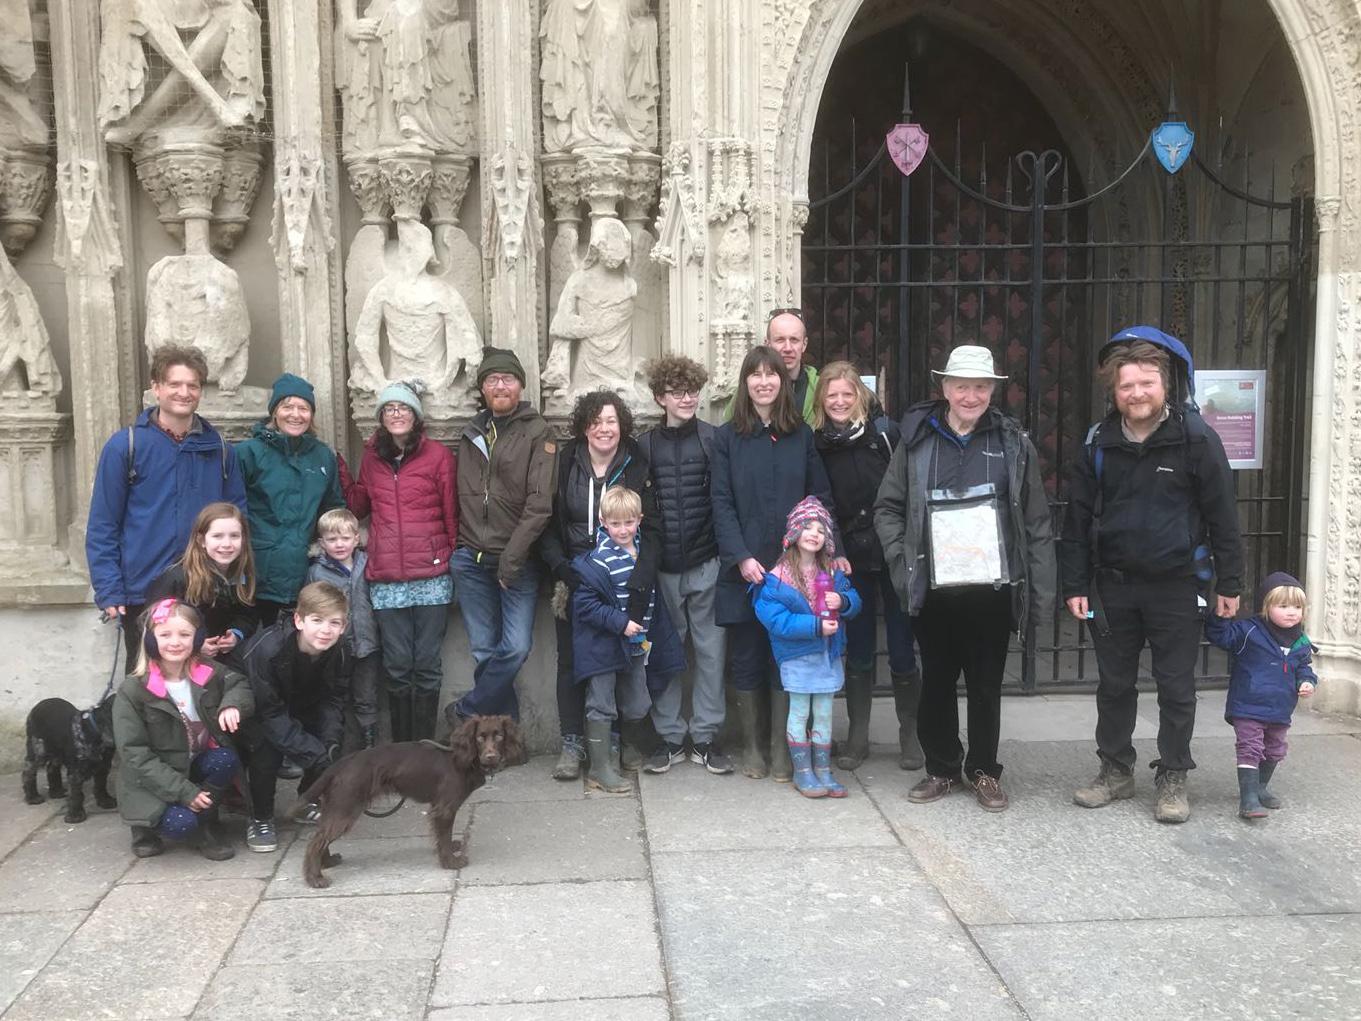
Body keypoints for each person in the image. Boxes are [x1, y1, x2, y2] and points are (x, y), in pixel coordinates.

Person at [1062, 327, 1244, 824]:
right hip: (1114, 584)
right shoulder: (1098, 443)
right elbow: (1076, 518)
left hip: (1176, 585)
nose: (1137, 393)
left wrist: (1229, 582)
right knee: (1115, 685)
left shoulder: (1196, 440)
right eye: (1127, 386)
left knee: (1176, 687)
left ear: (1165, 384)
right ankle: (1116, 770)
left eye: (1146, 383)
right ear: (1114, 391)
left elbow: (1223, 515)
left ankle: (1173, 776)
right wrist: (1074, 583)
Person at [874, 345, 1054, 813]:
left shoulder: (1013, 443)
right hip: (933, 587)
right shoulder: (917, 442)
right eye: (961, 386)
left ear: (992, 390)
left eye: (980, 386)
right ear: (945, 388)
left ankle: (983, 771)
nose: (970, 395)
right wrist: (900, 559)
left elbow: (1035, 522)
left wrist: (1042, 592)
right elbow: (888, 507)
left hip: (991, 590)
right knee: (935, 679)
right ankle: (941, 768)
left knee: (985, 684)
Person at [712, 345, 837, 783]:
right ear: (744, 384)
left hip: (794, 571)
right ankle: (751, 745)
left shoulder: (800, 436)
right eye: (755, 375)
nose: (764, 382)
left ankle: (782, 748)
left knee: (788, 657)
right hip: (745, 569)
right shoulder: (726, 438)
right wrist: (741, 557)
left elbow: (818, 498)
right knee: (746, 656)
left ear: (784, 383)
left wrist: (816, 554)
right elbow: (720, 503)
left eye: (772, 375)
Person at [87, 344, 246, 672]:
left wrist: (236, 578)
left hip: (203, 588)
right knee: (149, 686)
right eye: (174, 384)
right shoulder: (126, 446)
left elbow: (238, 518)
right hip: (143, 590)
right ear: (156, 388)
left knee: (202, 683)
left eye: (192, 385)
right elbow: (104, 524)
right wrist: (109, 588)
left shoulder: (220, 451)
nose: (184, 393)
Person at [539, 389, 663, 780]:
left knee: (622, 663)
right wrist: (562, 568)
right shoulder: (565, 462)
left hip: (623, 580)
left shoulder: (636, 463)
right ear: (583, 426)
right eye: (595, 421)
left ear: (621, 424)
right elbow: (546, 521)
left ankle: (616, 740)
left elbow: (654, 524)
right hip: (575, 581)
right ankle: (574, 743)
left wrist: (643, 569)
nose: (603, 429)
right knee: (572, 662)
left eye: (610, 420)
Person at [811, 362, 922, 771]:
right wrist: (834, 548)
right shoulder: (818, 444)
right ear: (822, 400)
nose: (840, 402)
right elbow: (820, 502)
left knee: (901, 648)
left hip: (893, 554)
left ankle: (910, 733)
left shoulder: (886, 435)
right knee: (857, 650)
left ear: (860, 395)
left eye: (847, 394)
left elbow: (908, 493)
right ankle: (857, 736)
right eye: (831, 395)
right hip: (849, 560)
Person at [446, 348, 558, 723]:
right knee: (483, 650)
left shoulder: (537, 431)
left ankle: (466, 710)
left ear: (521, 385)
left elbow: (540, 505)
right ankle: (500, 739)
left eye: (507, 379)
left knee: (515, 647)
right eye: (492, 380)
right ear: (482, 388)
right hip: (471, 559)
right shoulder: (472, 432)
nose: (500, 385)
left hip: (518, 561)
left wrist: (512, 559)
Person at [347, 381, 458, 743]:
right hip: (387, 576)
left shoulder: (438, 456)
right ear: (380, 417)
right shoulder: (372, 458)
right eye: (389, 409)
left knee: (426, 665)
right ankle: (402, 749)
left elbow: (450, 511)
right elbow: (359, 507)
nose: (396, 414)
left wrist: (452, 557)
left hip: (431, 574)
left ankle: (425, 747)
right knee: (397, 667)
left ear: (415, 415)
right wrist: (342, 476)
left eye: (403, 408)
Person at [637, 355, 732, 775]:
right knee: (666, 653)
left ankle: (706, 737)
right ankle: (670, 737)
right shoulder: (644, 446)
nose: (688, 398)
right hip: (664, 567)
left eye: (693, 390)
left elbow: (724, 501)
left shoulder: (714, 439)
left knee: (711, 653)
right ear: (661, 397)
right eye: (678, 392)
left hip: (707, 561)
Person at [112, 598, 253, 861]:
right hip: (150, 779)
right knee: (180, 824)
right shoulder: (133, 691)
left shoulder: (206, 671)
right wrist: (186, 792)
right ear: (151, 640)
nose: (175, 642)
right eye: (165, 635)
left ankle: (207, 821)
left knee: (225, 759)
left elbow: (238, 682)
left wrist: (232, 705)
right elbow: (135, 755)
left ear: (197, 637)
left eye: (184, 634)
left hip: (190, 763)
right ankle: (144, 826)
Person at [569, 486, 685, 793]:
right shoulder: (599, 561)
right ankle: (599, 768)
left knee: (636, 703)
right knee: (601, 703)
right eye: (616, 523)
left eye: (629, 522)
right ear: (603, 522)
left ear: (639, 520)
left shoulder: (644, 552)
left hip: (636, 644)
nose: (623, 530)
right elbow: (585, 606)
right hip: (603, 644)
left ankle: (623, 746)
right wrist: (620, 623)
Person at [753, 497, 862, 798]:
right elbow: (776, 620)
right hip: (797, 657)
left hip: (827, 656)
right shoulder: (777, 579)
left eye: (821, 529)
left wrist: (844, 601)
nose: (814, 533)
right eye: (807, 527)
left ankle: (824, 770)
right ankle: (803, 771)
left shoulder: (833, 573)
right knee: (800, 712)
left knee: (824, 713)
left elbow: (855, 600)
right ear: (793, 534)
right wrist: (814, 627)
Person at [237, 581, 350, 853]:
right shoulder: (268, 649)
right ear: (299, 620)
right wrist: (313, 752)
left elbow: (334, 698)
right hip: (253, 707)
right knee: (266, 750)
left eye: (335, 623)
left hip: (300, 702)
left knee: (332, 743)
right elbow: (268, 712)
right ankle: (260, 817)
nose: (326, 630)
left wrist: (330, 743)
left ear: (344, 626)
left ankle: (307, 799)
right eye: (317, 620)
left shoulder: (341, 651)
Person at [236, 373, 346, 627]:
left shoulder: (322, 456)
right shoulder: (247, 453)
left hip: (304, 572)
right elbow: (231, 511)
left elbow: (332, 508)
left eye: (304, 408)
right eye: (287, 406)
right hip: (257, 573)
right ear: (275, 411)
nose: (296, 414)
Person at [1205, 571, 1316, 819]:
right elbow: (1221, 637)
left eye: (1297, 607)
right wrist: (1220, 617)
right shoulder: (1249, 631)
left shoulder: (1301, 641)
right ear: (1266, 607)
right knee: (1250, 748)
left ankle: (1260, 787)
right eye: (1283, 605)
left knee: (1275, 750)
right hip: (1248, 704)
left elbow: (1304, 667)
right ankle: (1248, 799)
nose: (1291, 612)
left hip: (1280, 708)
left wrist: (1307, 681)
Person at [144, 502, 258, 667]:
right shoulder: (177, 577)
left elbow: (247, 614)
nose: (227, 544)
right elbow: (152, 626)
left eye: (234, 536)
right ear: (201, 540)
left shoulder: (242, 574)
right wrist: (194, 646)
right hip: (179, 664)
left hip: (222, 661)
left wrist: (235, 634)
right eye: (217, 536)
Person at [307, 509, 380, 750]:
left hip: (367, 645)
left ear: (356, 539)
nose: (339, 545)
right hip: (334, 648)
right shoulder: (317, 571)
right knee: (334, 697)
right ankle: (332, 746)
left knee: (366, 697)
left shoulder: (367, 563)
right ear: (322, 542)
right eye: (332, 539)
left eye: (345, 538)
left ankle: (369, 745)